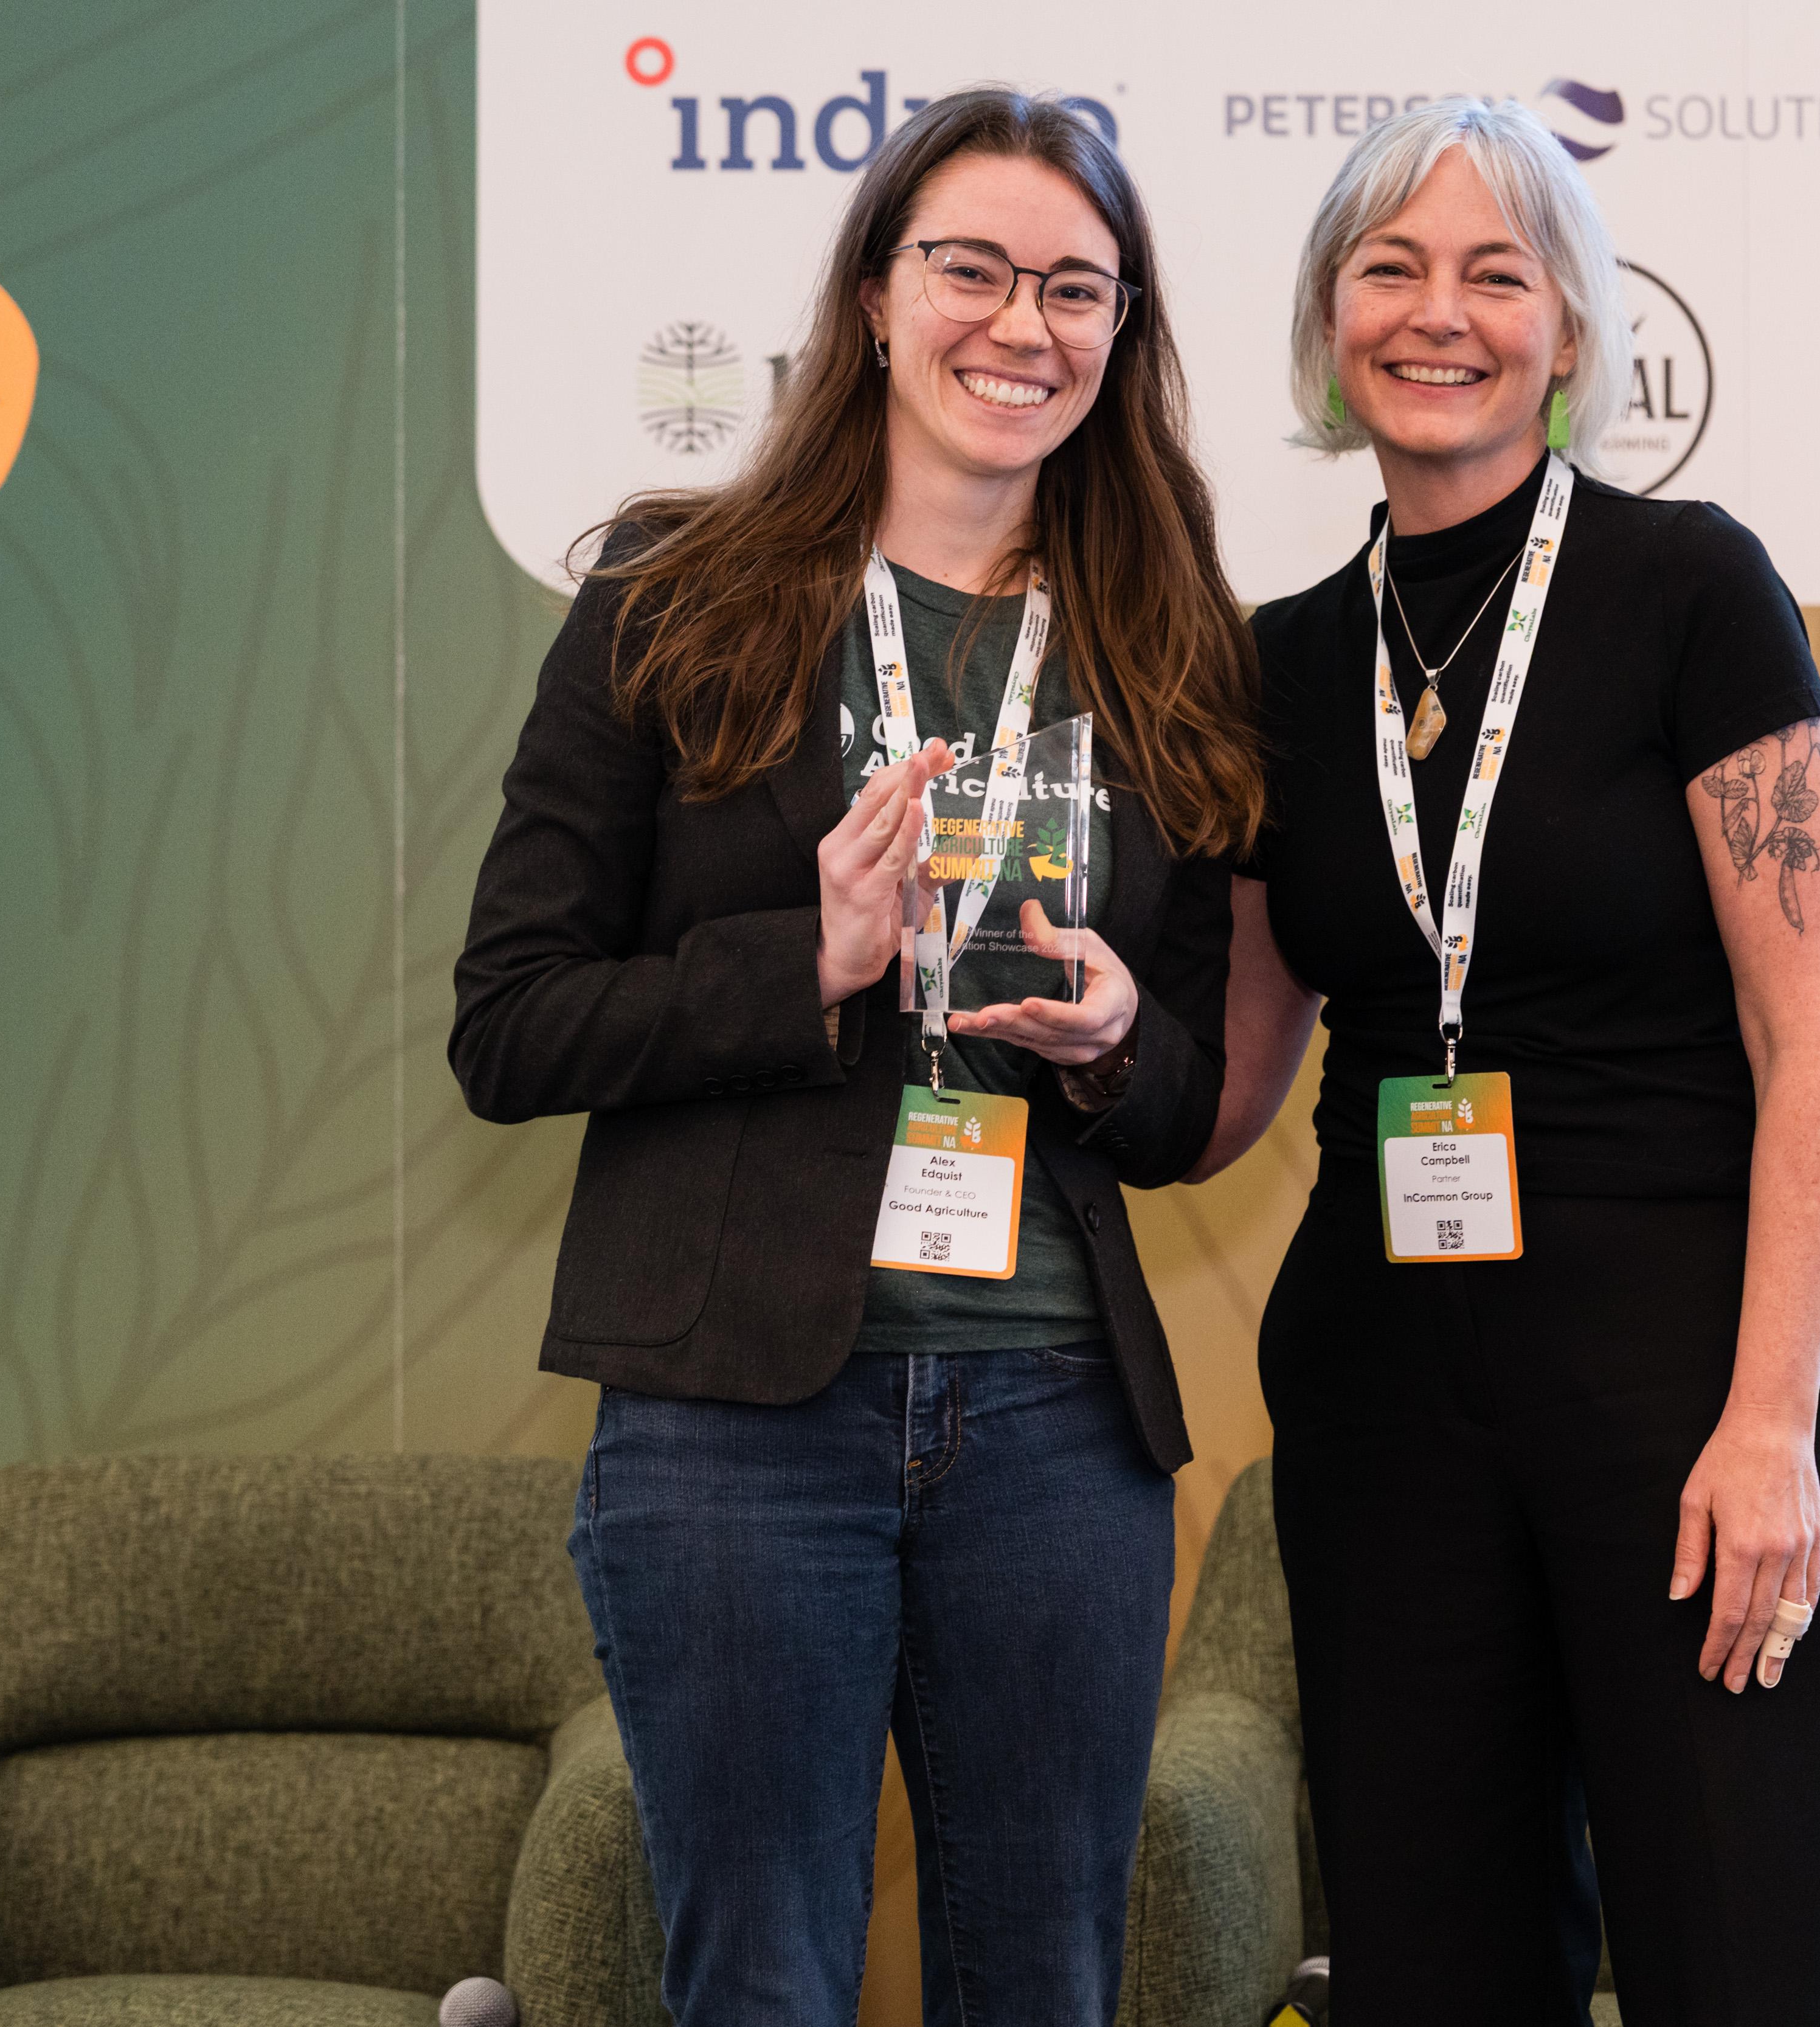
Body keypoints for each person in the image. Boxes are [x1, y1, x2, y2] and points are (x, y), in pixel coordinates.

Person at [450, 90, 1259, 2027]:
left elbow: (1186, 1101)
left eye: (1077, 288)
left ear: (1122, 330)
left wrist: (1120, 1042)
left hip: (1056, 1422)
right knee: (763, 1981)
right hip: (735, 1426)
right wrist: (798, 965)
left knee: (1046, 1978)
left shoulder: (1166, 654)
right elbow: (510, 1019)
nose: (1022, 323)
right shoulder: (675, 604)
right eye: (973, 269)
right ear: (880, 298)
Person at [1199, 98, 1820, 2023]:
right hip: (1381, 1388)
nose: (1439, 314)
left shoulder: (1691, 590)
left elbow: (1813, 1035)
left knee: (1759, 1947)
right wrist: (1075, 1021)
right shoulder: (1277, 666)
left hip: (1678, 1377)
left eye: (1496, 275)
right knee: (1433, 1959)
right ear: (1330, 321)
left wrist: (1773, 1426)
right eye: (1391, 269)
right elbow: (1232, 1085)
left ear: (1573, 332)